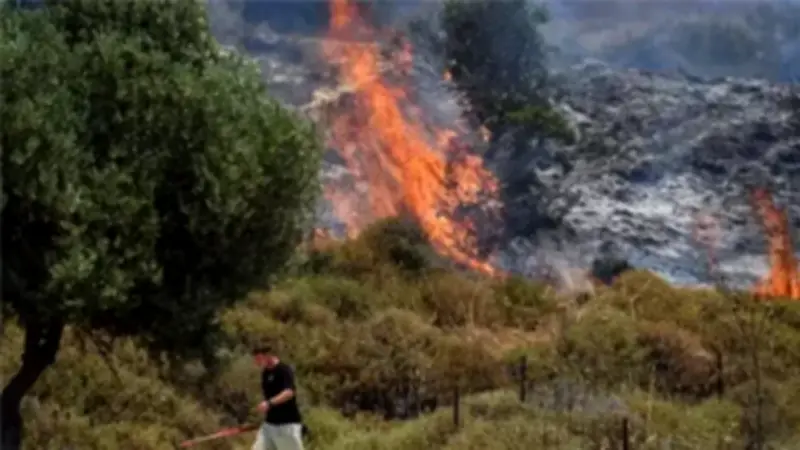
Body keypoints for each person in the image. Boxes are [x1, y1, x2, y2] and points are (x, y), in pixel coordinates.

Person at [251, 345, 305, 450]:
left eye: (259, 358)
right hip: (269, 425)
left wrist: (269, 403)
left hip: (287, 425)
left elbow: (289, 392)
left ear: (268, 355)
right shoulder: (265, 373)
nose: (257, 362)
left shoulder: (284, 370)